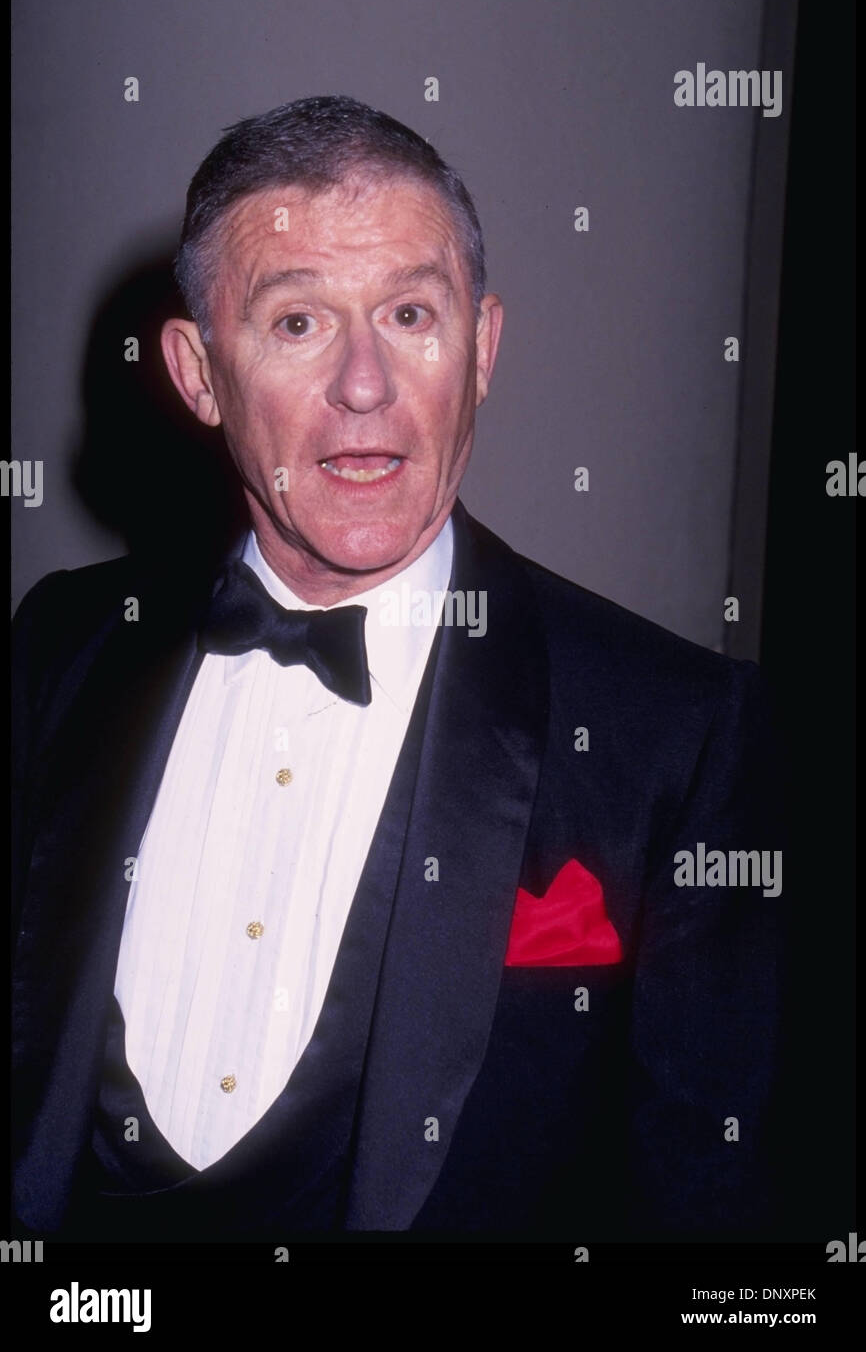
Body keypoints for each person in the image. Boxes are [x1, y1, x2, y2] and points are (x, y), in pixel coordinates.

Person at [11, 94, 782, 1242]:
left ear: (479, 348)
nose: (364, 384)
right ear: (198, 372)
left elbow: (701, 1210)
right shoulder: (66, 643)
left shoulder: (673, 731)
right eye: (298, 323)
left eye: (410, 312)